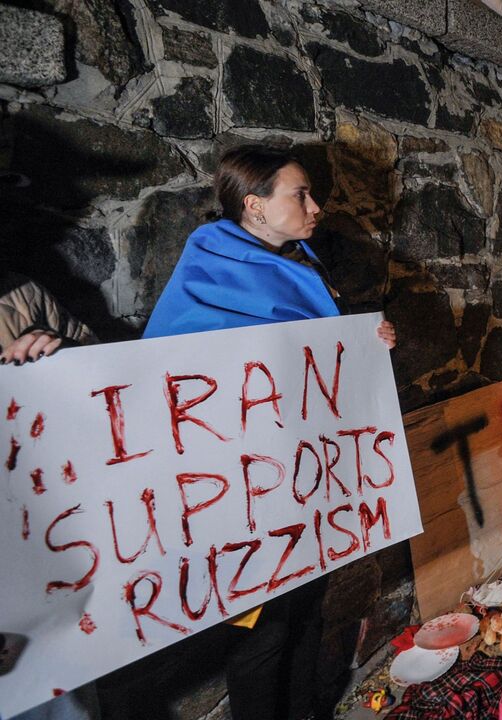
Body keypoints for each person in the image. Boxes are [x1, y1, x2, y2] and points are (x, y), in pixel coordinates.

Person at [145, 145, 396, 720]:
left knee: (310, 609)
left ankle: (308, 711)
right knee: (262, 637)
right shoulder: (208, 265)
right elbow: (172, 375)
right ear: (255, 206)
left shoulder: (302, 263)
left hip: (301, 483)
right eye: (299, 195)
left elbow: (313, 365)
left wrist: (369, 343)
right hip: (239, 493)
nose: (315, 205)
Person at [2, 273, 101, 720]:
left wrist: (63, 351)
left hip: (41, 556)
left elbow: (106, 379)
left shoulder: (23, 291)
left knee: (64, 707)